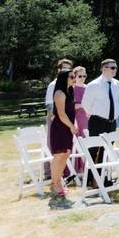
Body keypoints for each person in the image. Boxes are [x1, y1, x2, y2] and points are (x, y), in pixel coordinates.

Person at [81, 59, 119, 173]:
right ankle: (91, 178)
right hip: (97, 121)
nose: (115, 70)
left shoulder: (116, 83)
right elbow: (86, 104)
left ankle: (103, 177)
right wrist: (96, 114)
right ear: (104, 69)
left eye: (116, 68)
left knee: (107, 150)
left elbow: (116, 101)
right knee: (94, 149)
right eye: (112, 68)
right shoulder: (94, 85)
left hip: (112, 122)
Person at [48, 69, 78, 199]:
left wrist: (73, 125)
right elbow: (61, 114)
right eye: (72, 76)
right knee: (59, 155)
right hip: (60, 127)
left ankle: (58, 180)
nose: (74, 78)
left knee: (66, 154)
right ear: (64, 79)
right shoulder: (59, 93)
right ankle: (55, 183)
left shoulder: (70, 91)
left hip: (67, 126)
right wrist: (72, 126)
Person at [44, 59, 73, 179]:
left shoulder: (70, 87)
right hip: (56, 120)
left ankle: (64, 173)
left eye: (69, 68)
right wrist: (60, 117)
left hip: (67, 121)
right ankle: (50, 174)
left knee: (65, 151)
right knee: (55, 149)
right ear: (58, 69)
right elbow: (50, 106)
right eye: (64, 68)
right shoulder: (54, 85)